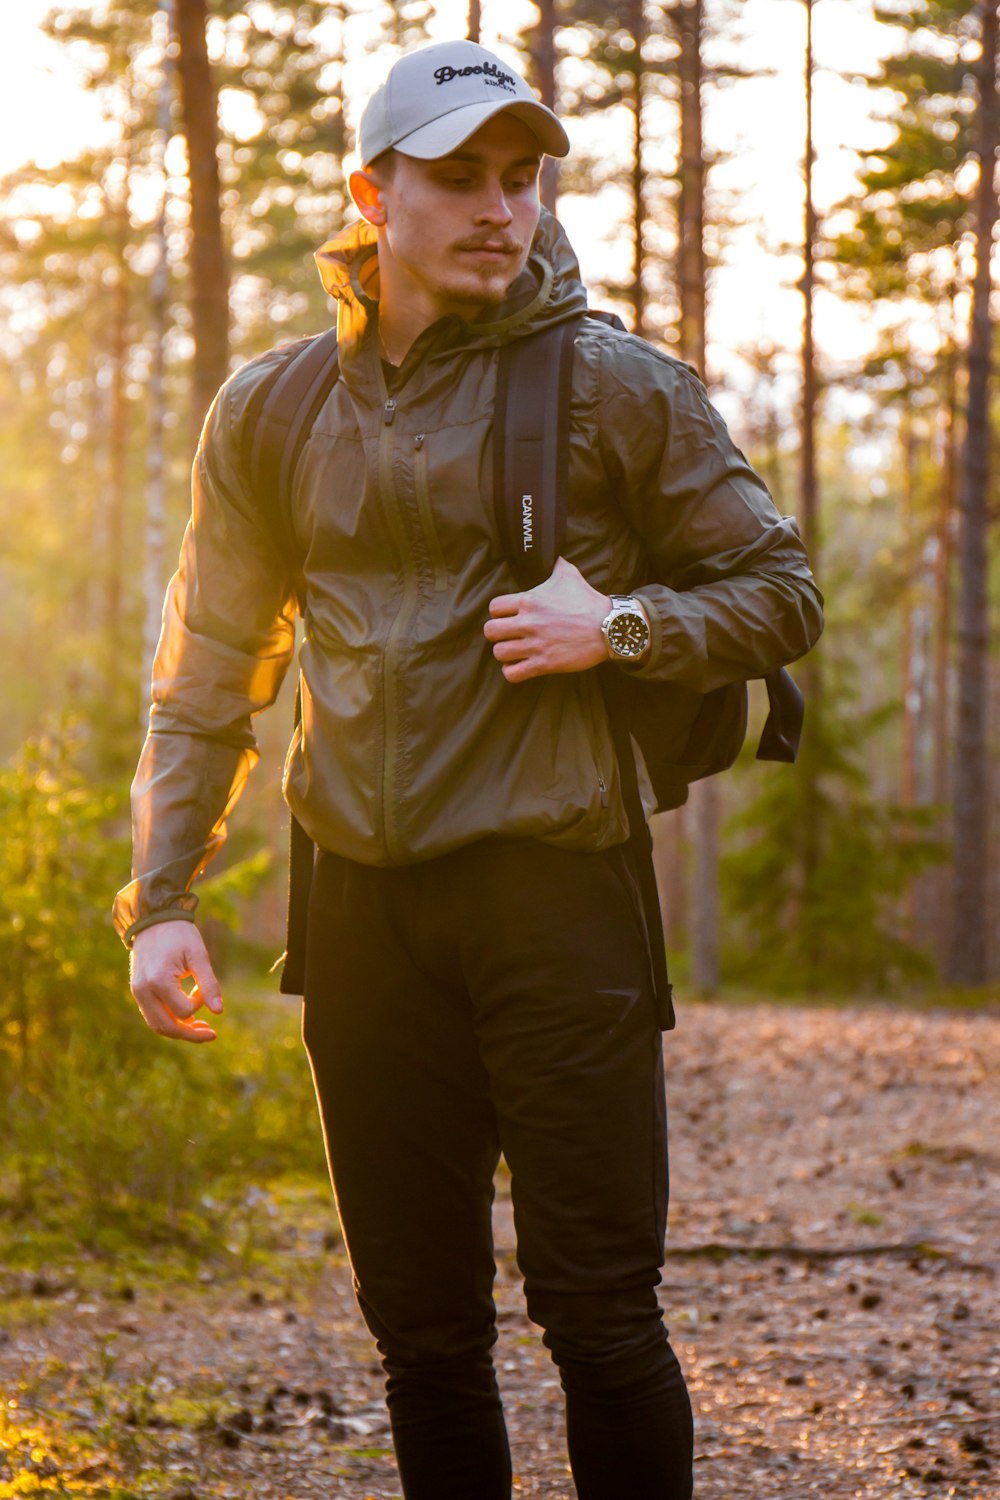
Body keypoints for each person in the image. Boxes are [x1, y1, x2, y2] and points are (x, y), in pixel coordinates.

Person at [114, 38, 823, 1500]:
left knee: (602, 1321)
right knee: (423, 1340)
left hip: (559, 896)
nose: (505, 207)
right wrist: (164, 893)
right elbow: (208, 672)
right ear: (374, 194)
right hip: (360, 914)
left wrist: (619, 623)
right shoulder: (271, 409)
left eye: (523, 175)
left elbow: (781, 592)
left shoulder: (618, 385)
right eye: (461, 177)